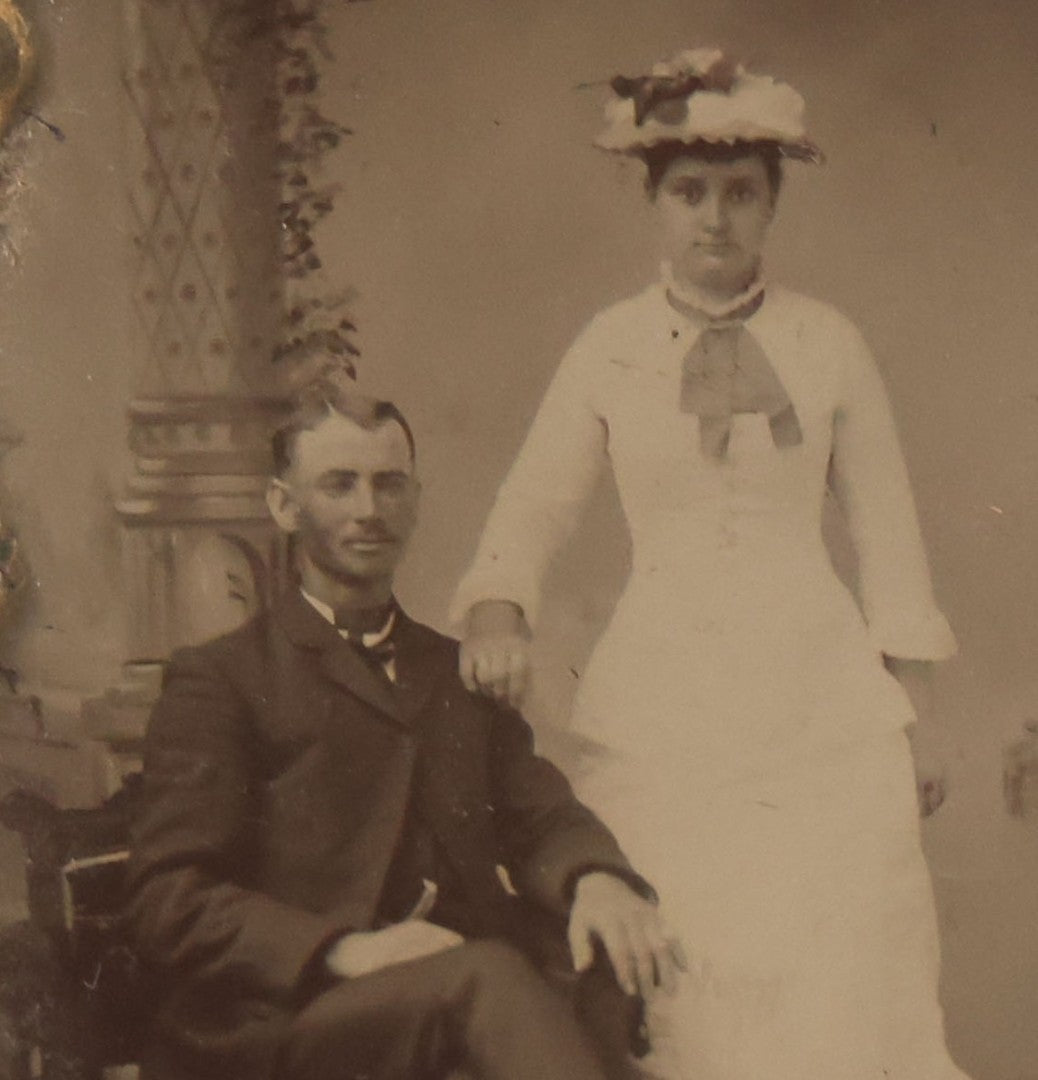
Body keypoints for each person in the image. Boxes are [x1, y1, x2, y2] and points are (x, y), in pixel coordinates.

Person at [452, 48, 970, 1080]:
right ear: (654, 202)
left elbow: (889, 538)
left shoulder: (828, 343)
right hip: (668, 693)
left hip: (819, 697)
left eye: (741, 193)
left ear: (772, 204)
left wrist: (909, 712)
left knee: (838, 952)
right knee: (691, 951)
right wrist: (498, 606)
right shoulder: (610, 345)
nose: (715, 218)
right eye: (689, 192)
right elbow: (533, 505)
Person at [122, 375, 685, 1080]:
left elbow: (541, 817)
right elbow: (167, 898)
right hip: (292, 1016)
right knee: (487, 976)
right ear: (284, 506)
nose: (369, 509)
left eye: (389, 485)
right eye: (339, 485)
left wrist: (595, 879)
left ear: (416, 501)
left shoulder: (453, 671)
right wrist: (343, 949)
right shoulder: (223, 677)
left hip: (450, 998)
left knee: (600, 957)